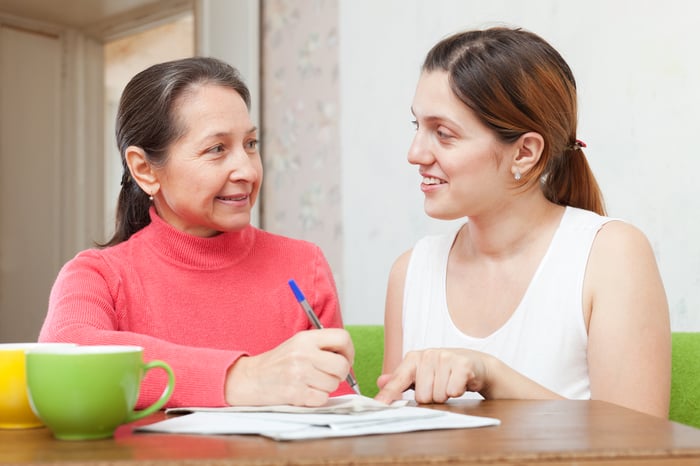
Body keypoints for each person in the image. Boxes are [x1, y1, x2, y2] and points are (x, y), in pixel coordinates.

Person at [374, 26, 670, 418]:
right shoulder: (410, 272)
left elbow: (642, 452)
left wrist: (492, 376)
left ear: (525, 152)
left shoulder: (611, 256)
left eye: (443, 134)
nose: (415, 153)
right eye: (418, 127)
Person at [39, 57, 355, 408]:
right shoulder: (98, 274)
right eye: (217, 149)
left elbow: (336, 413)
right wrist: (244, 378)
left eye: (250, 144)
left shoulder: (303, 264)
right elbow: (64, 353)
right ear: (145, 170)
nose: (247, 171)